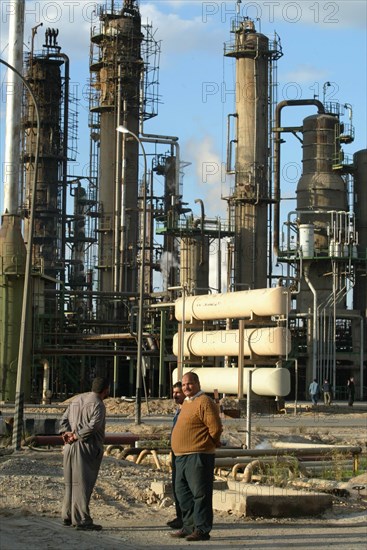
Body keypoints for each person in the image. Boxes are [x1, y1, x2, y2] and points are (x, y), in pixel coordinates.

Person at [170, 371, 222, 542]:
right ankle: (188, 526)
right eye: (184, 384)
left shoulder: (204, 402)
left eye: (189, 383)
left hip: (198, 455)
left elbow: (215, 427)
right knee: (182, 493)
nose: (186, 387)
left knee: (200, 494)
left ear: (198, 384)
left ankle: (202, 529)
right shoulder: (186, 403)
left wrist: (209, 443)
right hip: (181, 456)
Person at [59, 377, 110, 530]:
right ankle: (81, 519)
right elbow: (93, 426)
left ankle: (67, 515)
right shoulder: (98, 405)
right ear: (106, 390)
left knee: (70, 482)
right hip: (86, 447)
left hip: (69, 447)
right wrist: (76, 435)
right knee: (82, 483)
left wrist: (66, 434)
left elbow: (63, 419)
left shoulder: (77, 399)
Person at [167, 381, 185, 530]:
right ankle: (180, 516)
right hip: (175, 452)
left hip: (184, 453)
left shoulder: (188, 410)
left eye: (178, 393)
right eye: (174, 393)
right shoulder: (179, 411)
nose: (175, 395)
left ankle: (185, 518)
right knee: (177, 485)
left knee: (183, 486)